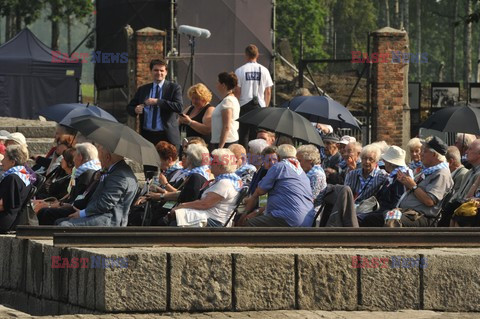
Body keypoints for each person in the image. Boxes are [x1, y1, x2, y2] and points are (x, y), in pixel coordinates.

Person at [57, 144, 137, 227]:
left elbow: (106, 203)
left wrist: (82, 213)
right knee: (59, 221)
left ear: (107, 157)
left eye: (100, 157)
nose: (98, 161)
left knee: (64, 226)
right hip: (99, 215)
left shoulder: (119, 176)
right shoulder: (114, 170)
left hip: (108, 220)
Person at [243, 144, 314, 227]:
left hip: (287, 217)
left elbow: (259, 192)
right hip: (307, 220)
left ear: (278, 158)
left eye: (274, 159)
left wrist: (248, 213)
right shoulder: (303, 174)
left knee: (249, 224)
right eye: (268, 160)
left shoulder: (279, 166)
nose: (272, 163)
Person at [390, 136, 453, 227]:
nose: (421, 154)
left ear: (434, 155)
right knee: (372, 218)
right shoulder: (428, 171)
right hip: (408, 212)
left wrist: (413, 185)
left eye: (425, 151)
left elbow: (429, 201)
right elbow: (416, 191)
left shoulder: (442, 174)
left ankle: (388, 241)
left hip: (423, 216)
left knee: (393, 220)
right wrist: (406, 183)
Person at [169, 148, 241, 227]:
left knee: (175, 220)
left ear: (221, 166)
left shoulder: (225, 183)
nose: (210, 163)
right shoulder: (222, 180)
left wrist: (182, 206)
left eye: (213, 161)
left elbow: (205, 204)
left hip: (214, 221)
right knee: (175, 215)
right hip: (207, 216)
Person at [35, 143, 101, 225]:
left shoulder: (87, 174)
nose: (73, 160)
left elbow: (78, 200)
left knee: (46, 212)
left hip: (77, 209)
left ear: (80, 157)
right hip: (71, 204)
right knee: (43, 210)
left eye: (75, 156)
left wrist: (57, 205)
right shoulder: (84, 172)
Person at [126, 58, 183, 148]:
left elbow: (179, 107)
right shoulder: (143, 89)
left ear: (166, 72)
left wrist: (157, 101)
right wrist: (135, 109)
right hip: (147, 136)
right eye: (156, 70)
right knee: (148, 162)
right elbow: (129, 107)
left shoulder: (174, 88)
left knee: (167, 162)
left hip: (167, 136)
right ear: (151, 71)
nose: (159, 73)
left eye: (161, 70)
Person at [359, 145, 412, 226]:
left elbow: (397, 200)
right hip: (382, 209)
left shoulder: (400, 177)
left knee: (367, 219)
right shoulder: (393, 176)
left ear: (390, 163)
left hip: (388, 212)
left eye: (386, 161)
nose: (384, 163)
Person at [235, 44, 274, 147]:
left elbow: (237, 91)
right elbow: (268, 91)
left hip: (244, 105)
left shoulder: (240, 70)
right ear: (257, 55)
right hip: (259, 105)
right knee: (256, 134)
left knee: (243, 134)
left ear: (246, 55)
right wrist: (265, 107)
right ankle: (255, 156)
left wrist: (237, 106)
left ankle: (243, 158)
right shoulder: (264, 70)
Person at [439, 139, 480, 227]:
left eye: (470, 149)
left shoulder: (473, 173)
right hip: (458, 207)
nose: (466, 152)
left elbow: (471, 199)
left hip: (469, 211)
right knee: (450, 210)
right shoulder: (469, 172)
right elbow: (459, 194)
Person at [0, 145, 33, 233]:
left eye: (5, 158)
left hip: (4, 221)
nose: (2, 161)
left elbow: (2, 205)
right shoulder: (24, 175)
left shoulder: (12, 179)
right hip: (13, 218)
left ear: (12, 162)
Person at [210, 72, 240, 150]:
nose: (216, 85)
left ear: (223, 85)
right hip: (223, 141)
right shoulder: (229, 99)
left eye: (218, 83)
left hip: (226, 143)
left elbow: (226, 126)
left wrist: (220, 148)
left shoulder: (228, 101)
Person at [296, 144, 327, 210]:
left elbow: (313, 198)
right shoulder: (307, 172)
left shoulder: (317, 174)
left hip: (312, 212)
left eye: (300, 160)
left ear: (309, 160)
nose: (297, 163)